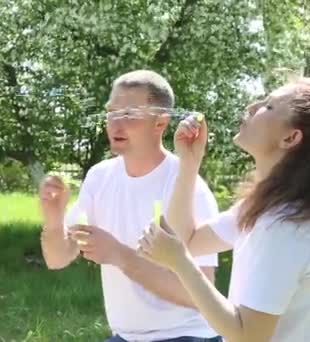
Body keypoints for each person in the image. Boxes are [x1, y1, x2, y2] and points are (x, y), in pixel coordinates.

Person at [138, 77, 310, 342]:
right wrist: (189, 164)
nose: (252, 106)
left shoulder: (286, 227)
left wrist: (180, 263)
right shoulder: (267, 208)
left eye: (269, 106)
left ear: (290, 137)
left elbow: (248, 336)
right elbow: (187, 239)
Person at [39, 70, 222, 341]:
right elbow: (56, 259)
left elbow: (201, 295)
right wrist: (54, 221)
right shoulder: (100, 176)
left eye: (128, 114)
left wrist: (120, 256)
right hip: (124, 337)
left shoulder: (186, 185)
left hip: (187, 335)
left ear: (160, 122)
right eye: (111, 112)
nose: (115, 124)